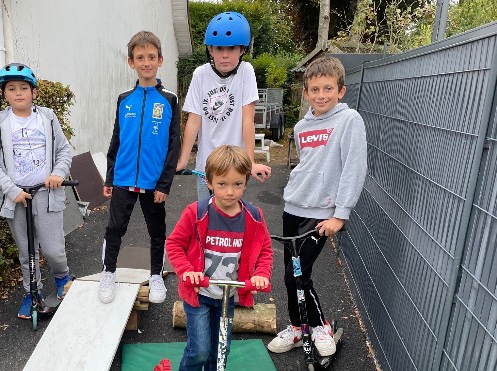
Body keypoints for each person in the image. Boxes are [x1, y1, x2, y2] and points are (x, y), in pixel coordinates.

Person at [267, 56, 367, 357]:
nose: (321, 95)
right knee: (291, 272)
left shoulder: (349, 121)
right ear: (306, 93)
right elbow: (308, 166)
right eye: (314, 89)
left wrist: (340, 214)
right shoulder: (301, 126)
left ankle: (320, 325)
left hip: (321, 214)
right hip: (293, 206)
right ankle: (298, 329)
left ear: (341, 91)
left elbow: (354, 168)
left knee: (295, 274)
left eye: (328, 88)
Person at [166, 145, 274, 370]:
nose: (229, 192)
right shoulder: (196, 213)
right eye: (222, 184)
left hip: (228, 296)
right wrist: (188, 271)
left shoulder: (254, 217)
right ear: (209, 182)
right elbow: (174, 244)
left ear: (246, 181)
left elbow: (264, 250)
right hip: (199, 294)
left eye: (237, 184)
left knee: (219, 352)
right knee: (199, 350)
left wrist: (261, 275)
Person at [0, 63, 73, 319]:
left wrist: (58, 173)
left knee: (53, 248)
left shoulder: (47, 117)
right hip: (17, 198)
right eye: (11, 88)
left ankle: (62, 277)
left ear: (34, 92)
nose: (18, 93)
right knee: (27, 251)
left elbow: (64, 151)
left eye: (24, 87)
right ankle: (32, 292)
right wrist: (12, 190)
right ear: (4, 94)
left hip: (46, 196)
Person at [98, 31, 181, 305]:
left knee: (156, 232)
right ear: (131, 62)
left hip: (153, 181)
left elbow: (173, 146)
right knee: (115, 229)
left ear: (160, 60)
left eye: (151, 57)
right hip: (122, 178)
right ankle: (108, 272)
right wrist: (110, 176)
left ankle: (156, 274)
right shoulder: (124, 99)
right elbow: (116, 139)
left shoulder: (168, 100)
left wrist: (164, 184)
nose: (146, 62)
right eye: (140, 57)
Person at [176, 11, 271, 201]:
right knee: (206, 218)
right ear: (210, 50)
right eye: (219, 48)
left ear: (242, 50)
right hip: (206, 167)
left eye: (232, 48)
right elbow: (194, 121)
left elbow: (247, 120)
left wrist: (250, 161)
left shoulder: (246, 72)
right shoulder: (200, 74)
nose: (225, 55)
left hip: (235, 166)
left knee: (232, 221)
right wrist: (183, 160)